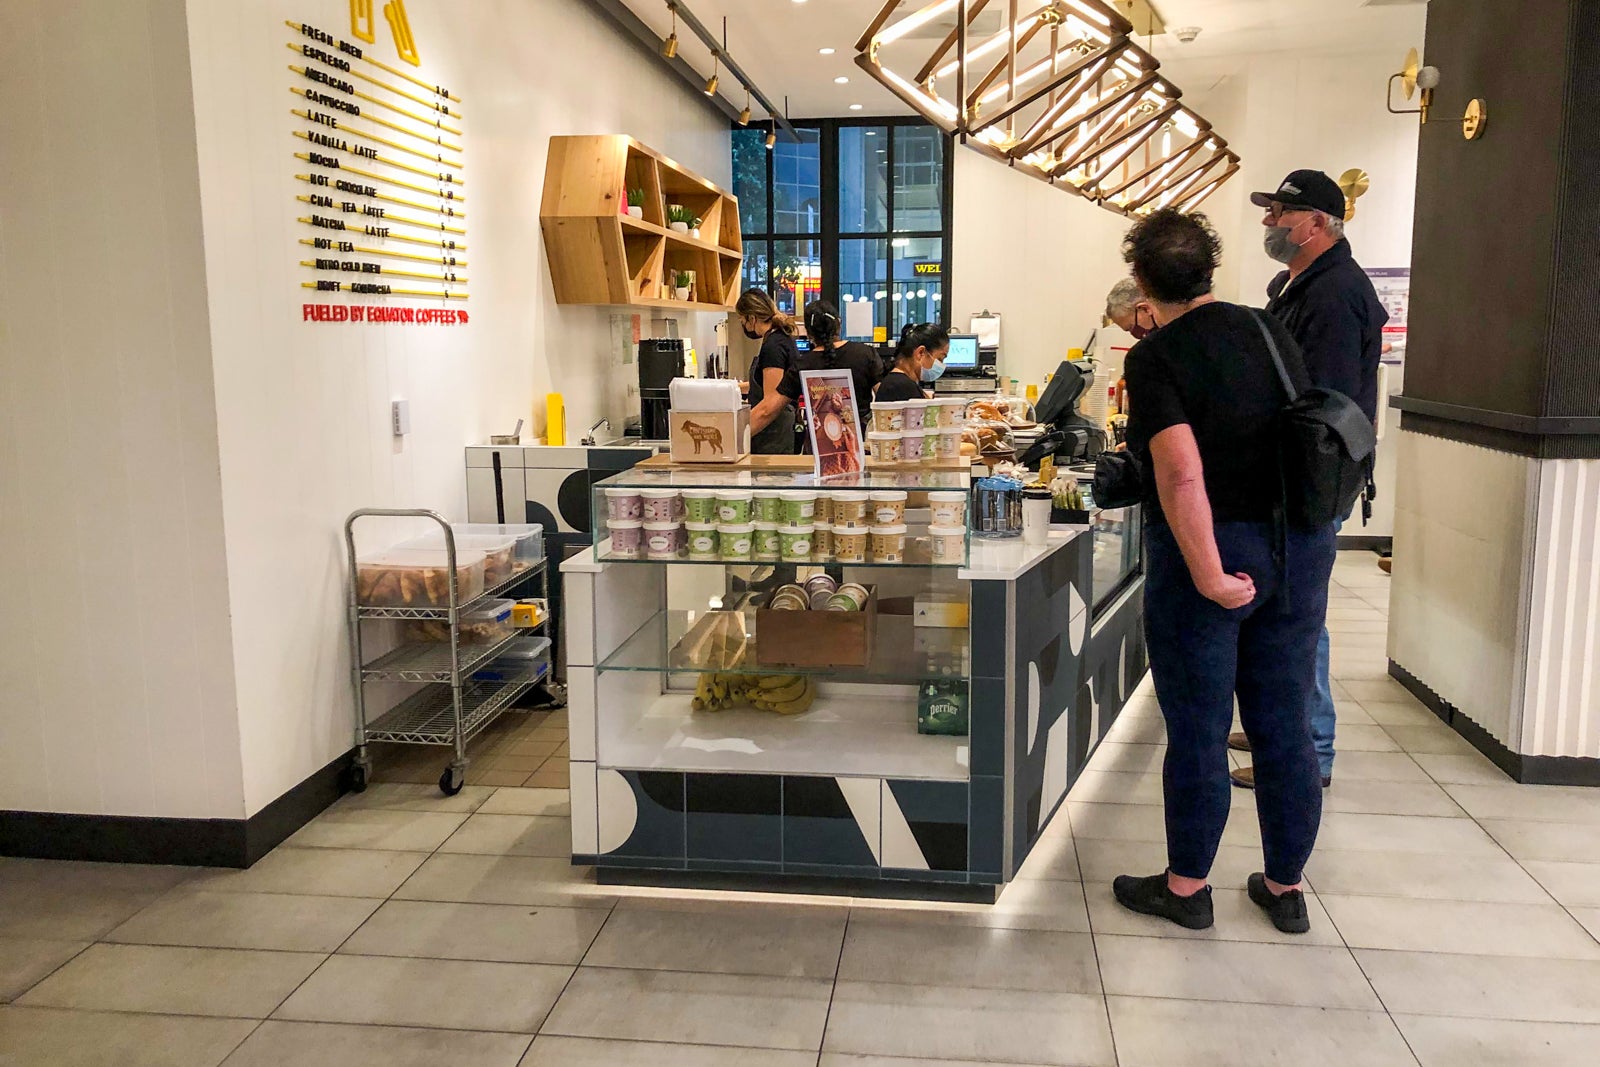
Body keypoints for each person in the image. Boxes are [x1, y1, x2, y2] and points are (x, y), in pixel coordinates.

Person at [1112, 208, 1336, 935]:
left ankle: (1186, 889)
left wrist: (1207, 573)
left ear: (1142, 282)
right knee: (1284, 725)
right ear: (1209, 267)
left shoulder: (1155, 358)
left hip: (1213, 556)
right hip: (1297, 550)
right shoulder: (1270, 328)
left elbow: (1179, 475)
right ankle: (1286, 886)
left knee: (1201, 729)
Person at [1228, 170, 1388, 792]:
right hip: (1287, 478)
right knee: (1288, 612)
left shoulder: (1334, 294)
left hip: (1313, 479)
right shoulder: (1292, 285)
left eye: (1281, 215)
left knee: (1300, 616)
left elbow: (1322, 403)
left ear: (1318, 224)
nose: (1269, 224)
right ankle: (1279, 728)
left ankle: (1308, 750)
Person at [735, 288, 802, 454]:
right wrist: (734, 388)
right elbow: (774, 383)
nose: (743, 326)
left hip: (774, 434)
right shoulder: (779, 338)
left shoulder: (774, 345)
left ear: (752, 318)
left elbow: (770, 404)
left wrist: (737, 434)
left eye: (742, 321)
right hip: (775, 430)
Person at [798, 299, 881, 427]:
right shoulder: (865, 354)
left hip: (819, 438)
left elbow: (770, 408)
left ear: (808, 332)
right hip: (863, 437)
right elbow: (884, 396)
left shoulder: (803, 363)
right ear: (839, 324)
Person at [874, 322, 949, 403]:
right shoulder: (903, 387)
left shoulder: (896, 382)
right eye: (940, 358)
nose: (941, 365)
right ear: (920, 352)